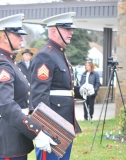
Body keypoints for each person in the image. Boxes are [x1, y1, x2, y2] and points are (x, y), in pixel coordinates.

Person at [0, 13, 57, 160]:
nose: (22, 38)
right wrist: (35, 131)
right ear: (5, 37)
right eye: (17, 34)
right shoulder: (2, 64)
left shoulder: (8, 61)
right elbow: (6, 104)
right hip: (8, 140)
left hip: (14, 136)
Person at [30, 12, 95, 160]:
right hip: (52, 126)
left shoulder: (60, 53)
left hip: (64, 124)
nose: (71, 32)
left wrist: (80, 91)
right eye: (66, 29)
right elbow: (39, 96)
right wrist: (43, 130)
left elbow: (64, 89)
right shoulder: (45, 55)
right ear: (53, 31)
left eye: (71, 29)